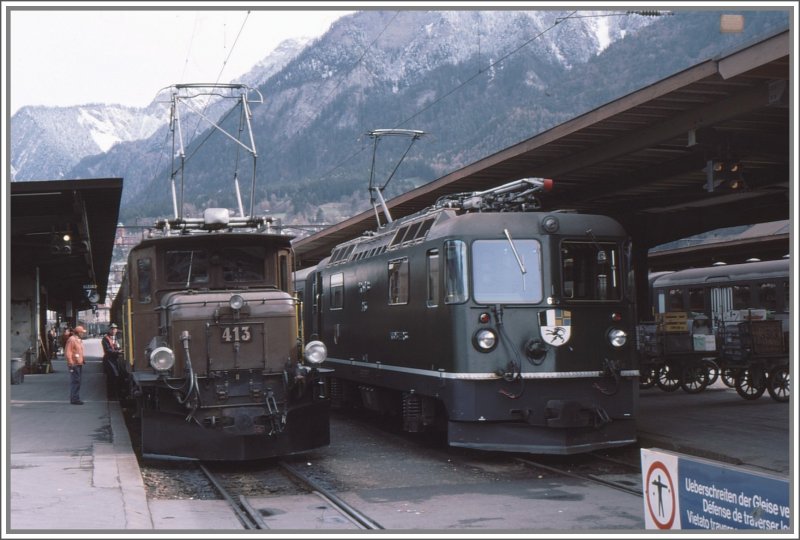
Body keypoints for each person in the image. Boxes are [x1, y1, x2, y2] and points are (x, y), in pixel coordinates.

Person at [64, 325, 87, 405]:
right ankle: (74, 399)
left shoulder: (78, 340)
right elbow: (68, 352)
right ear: (79, 333)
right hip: (74, 364)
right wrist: (70, 363)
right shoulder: (72, 340)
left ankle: (75, 397)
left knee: (77, 381)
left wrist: (82, 359)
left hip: (78, 363)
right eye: (82, 332)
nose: (83, 334)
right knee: (75, 381)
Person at [102, 323, 124, 399]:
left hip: (115, 360)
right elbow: (108, 350)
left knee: (117, 377)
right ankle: (111, 396)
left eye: (115, 329)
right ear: (109, 330)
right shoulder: (105, 338)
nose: (114, 330)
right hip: (109, 360)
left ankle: (116, 395)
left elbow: (117, 347)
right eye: (112, 329)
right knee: (111, 378)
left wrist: (119, 350)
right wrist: (118, 352)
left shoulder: (116, 338)